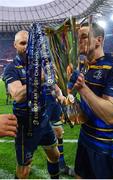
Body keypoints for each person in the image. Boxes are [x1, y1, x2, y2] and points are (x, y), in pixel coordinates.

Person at [71, 22, 113, 179]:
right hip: (85, 140)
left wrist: (82, 88)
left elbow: (112, 115)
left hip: (106, 148)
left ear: (99, 40)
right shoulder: (84, 67)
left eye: (84, 36)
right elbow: (83, 110)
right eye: (78, 38)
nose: (80, 41)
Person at [3, 30, 60, 179]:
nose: (27, 46)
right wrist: (38, 78)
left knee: (55, 155)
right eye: (22, 43)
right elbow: (16, 95)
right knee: (24, 171)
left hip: (42, 119)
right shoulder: (11, 68)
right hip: (24, 125)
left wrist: (60, 94)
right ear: (15, 45)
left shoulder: (40, 63)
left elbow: (52, 84)